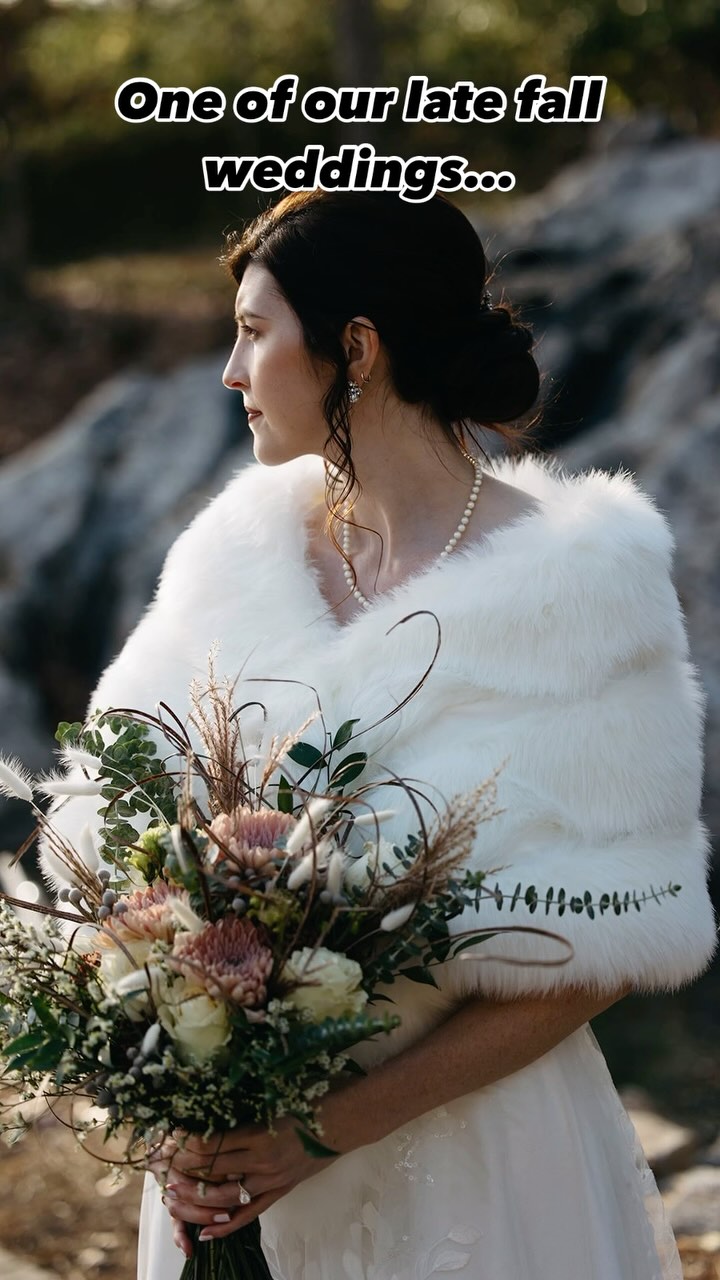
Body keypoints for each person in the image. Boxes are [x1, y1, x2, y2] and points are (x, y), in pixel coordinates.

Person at [40, 189, 717, 1280]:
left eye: (255, 332)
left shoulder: (581, 585)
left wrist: (320, 1130)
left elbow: (606, 937)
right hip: (226, 1181)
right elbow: (101, 833)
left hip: (471, 1166)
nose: (229, 370)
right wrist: (158, 1057)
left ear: (354, 347)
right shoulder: (233, 554)